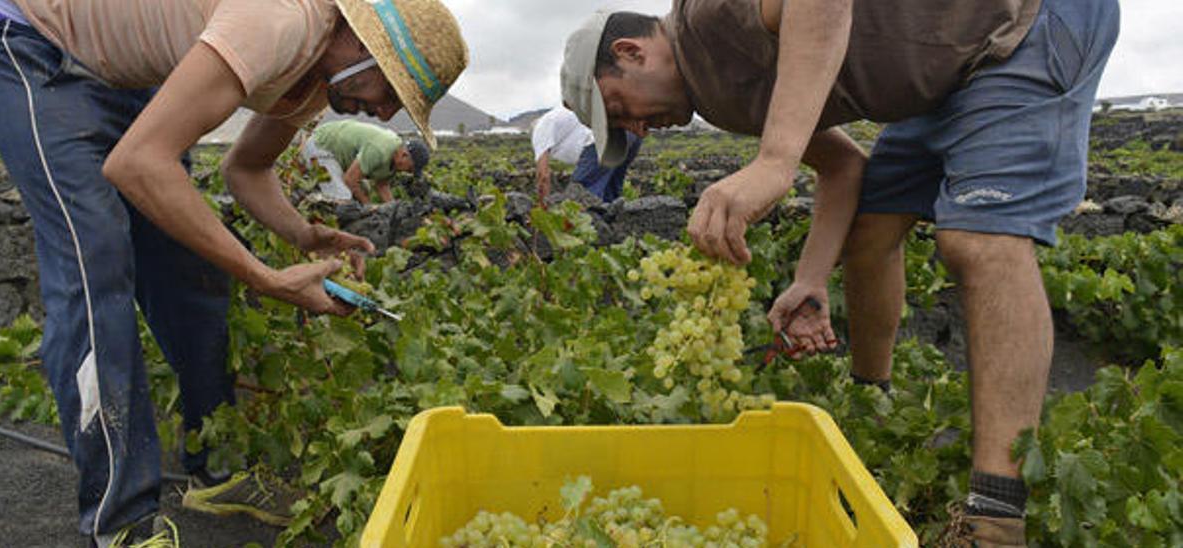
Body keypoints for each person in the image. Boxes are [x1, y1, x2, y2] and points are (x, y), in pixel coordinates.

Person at [562, 0, 1117, 544]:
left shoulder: (709, 17)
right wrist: (811, 278)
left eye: (619, 109)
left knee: (977, 240)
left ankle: (995, 520)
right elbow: (844, 165)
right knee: (872, 225)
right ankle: (872, 401)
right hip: (945, 78)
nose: (635, 129)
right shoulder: (718, 95)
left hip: (1024, 28)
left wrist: (776, 161)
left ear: (631, 52)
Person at [0, 0, 466, 545]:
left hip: (125, 78)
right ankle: (122, 525)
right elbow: (137, 164)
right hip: (33, 47)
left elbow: (246, 167)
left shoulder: (316, 78)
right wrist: (263, 276)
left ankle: (214, 471)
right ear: (366, 49)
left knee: (193, 270)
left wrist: (302, 233)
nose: (386, 115)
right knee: (95, 266)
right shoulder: (281, 22)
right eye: (392, 92)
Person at [531, 105, 641, 203]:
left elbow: (543, 175)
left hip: (606, 137)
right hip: (630, 131)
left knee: (580, 195)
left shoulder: (540, 129)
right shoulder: (558, 118)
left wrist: (542, 207)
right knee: (610, 194)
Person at [302, 119, 429, 204]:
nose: (408, 172)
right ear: (404, 155)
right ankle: (311, 207)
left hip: (338, 157)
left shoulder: (395, 161)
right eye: (410, 168)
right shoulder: (380, 150)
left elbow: (382, 185)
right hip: (321, 147)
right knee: (342, 197)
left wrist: (393, 209)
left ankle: (321, 194)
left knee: (363, 190)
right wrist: (368, 206)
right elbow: (350, 179)